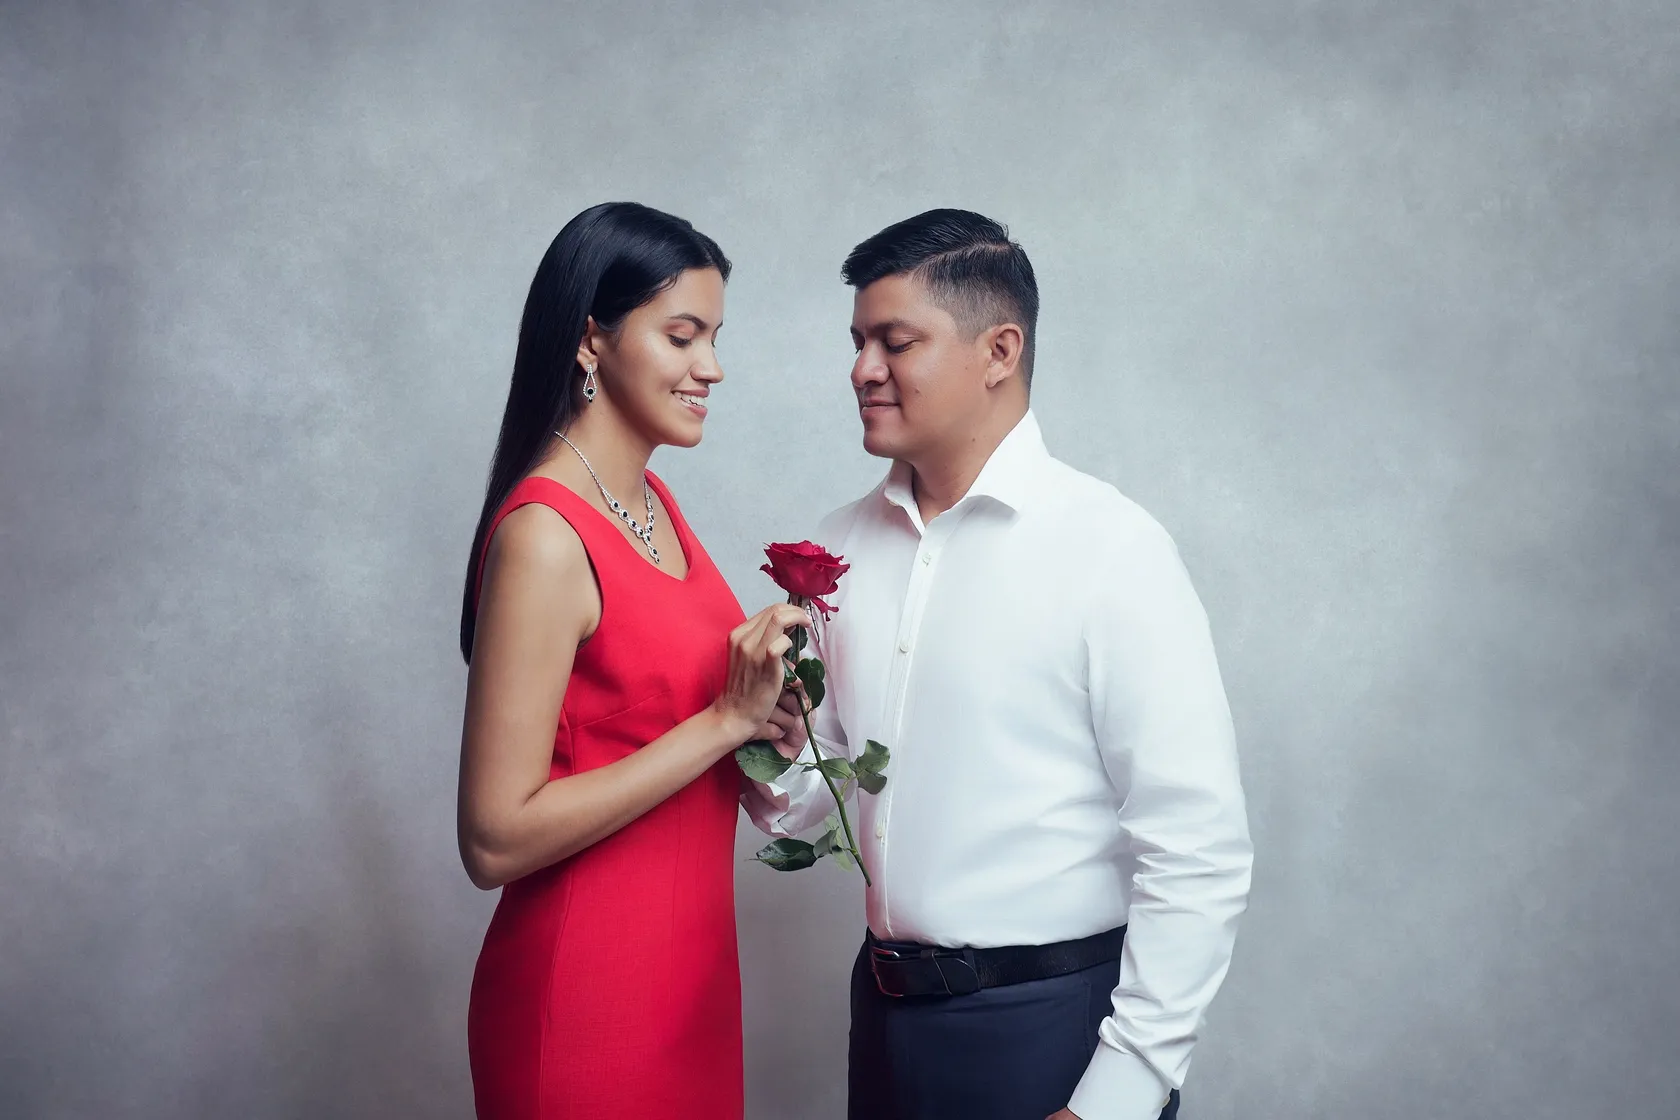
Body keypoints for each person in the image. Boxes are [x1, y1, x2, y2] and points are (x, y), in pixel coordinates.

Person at [744, 209, 1253, 1120]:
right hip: (885, 1017)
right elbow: (800, 802)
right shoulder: (837, 548)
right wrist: (758, 732)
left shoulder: (1112, 549)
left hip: (1053, 1031)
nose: (862, 370)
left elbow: (1198, 849)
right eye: (858, 342)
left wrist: (1120, 1094)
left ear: (999, 350)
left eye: (894, 342)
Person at [457, 201, 810, 1120]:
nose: (713, 368)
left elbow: (669, 736)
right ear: (592, 342)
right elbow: (493, 838)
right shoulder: (545, 534)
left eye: (716, 337)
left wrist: (767, 719)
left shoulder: (651, 502)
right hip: (587, 1001)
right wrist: (722, 722)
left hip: (689, 990)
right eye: (682, 335)